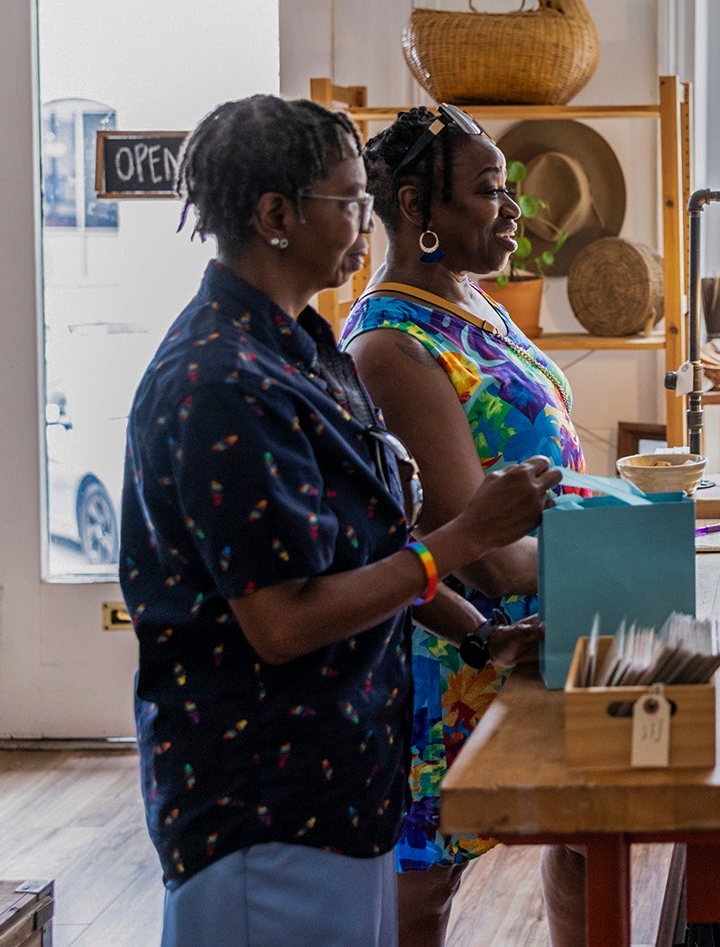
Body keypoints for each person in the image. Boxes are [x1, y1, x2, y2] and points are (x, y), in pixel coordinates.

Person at [120, 95, 562, 947]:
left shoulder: (302, 345)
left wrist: (481, 637)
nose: (370, 215)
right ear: (277, 215)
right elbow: (284, 621)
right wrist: (470, 538)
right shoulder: (221, 379)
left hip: (346, 775)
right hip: (264, 799)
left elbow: (375, 550)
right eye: (351, 197)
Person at [340, 104, 589, 947]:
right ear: (416, 208)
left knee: (582, 830)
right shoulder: (391, 345)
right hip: (451, 647)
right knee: (426, 884)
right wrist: (617, 543)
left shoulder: (474, 301)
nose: (513, 208)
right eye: (488, 190)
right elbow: (477, 556)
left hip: (536, 628)